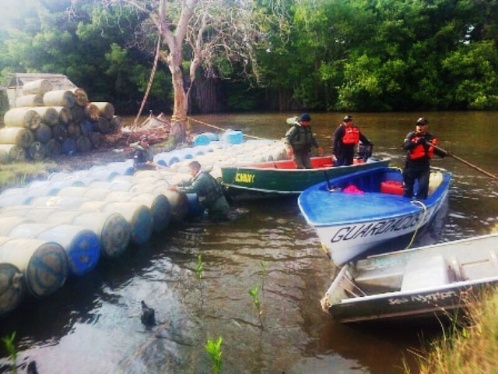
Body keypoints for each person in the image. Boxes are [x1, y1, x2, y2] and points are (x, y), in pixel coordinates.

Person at [402, 117, 449, 199]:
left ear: (426, 126)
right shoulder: (411, 135)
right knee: (408, 189)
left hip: (423, 167)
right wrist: (417, 142)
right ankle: (407, 203)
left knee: (423, 185)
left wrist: (445, 154)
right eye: (418, 125)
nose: (420, 127)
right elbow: (405, 147)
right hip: (410, 166)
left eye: (422, 125)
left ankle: (421, 203)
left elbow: (434, 149)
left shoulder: (430, 138)